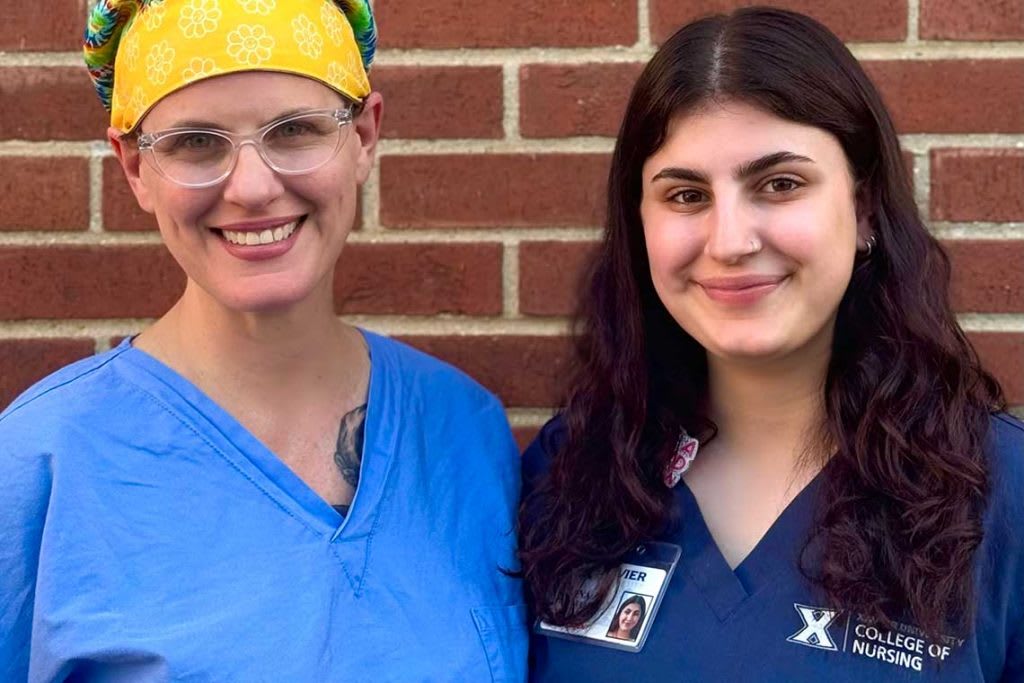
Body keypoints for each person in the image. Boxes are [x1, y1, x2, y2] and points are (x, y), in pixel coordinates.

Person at [0, 1, 526, 680]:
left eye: (295, 131)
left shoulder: (465, 432)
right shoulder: (40, 463)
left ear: (364, 139)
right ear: (133, 168)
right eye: (195, 142)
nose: (252, 187)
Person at [519, 7, 1023, 681]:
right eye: (687, 195)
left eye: (780, 184)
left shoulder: (998, 491)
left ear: (865, 209)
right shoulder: (569, 473)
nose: (730, 242)